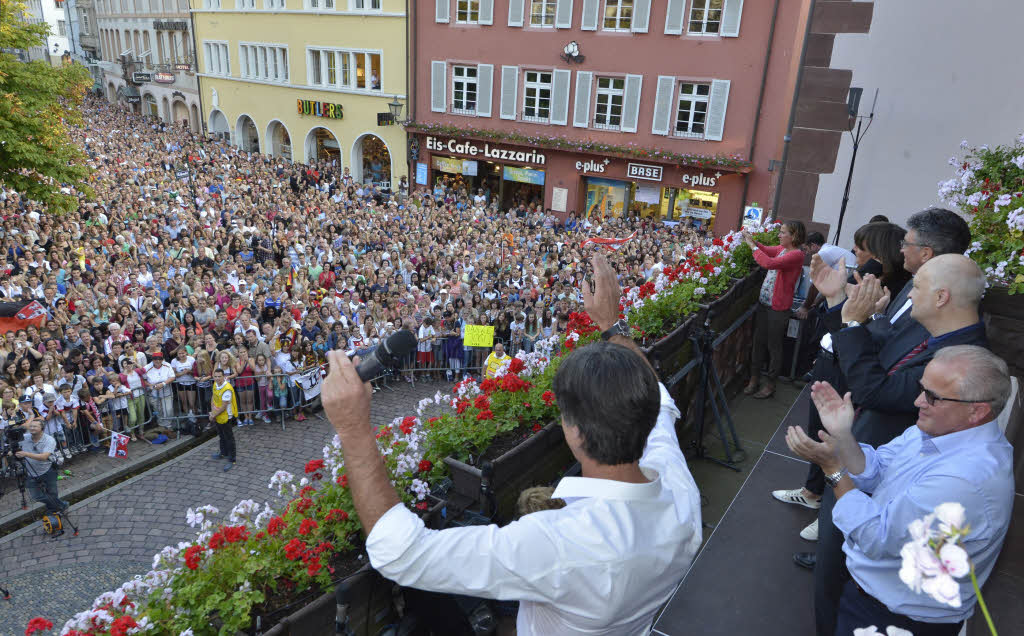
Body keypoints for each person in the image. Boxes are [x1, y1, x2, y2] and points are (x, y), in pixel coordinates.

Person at [320, 253, 702, 635]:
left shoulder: (558, 545)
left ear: (574, 431)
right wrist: (611, 325)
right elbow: (660, 399)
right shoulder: (679, 493)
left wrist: (353, 427)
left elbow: (399, 552)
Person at [803, 254, 989, 636]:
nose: (907, 294)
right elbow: (876, 348)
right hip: (869, 459)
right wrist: (840, 304)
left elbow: (877, 388)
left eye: (916, 287)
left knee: (840, 584)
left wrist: (852, 321)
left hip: (875, 486)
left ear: (940, 297)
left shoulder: (965, 362)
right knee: (832, 577)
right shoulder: (930, 330)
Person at [786, 346, 1013, 636]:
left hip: (899, 619)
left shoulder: (965, 479)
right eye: (922, 389)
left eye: (933, 396)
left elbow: (875, 537)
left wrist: (833, 469)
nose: (918, 401)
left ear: (977, 411)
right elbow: (878, 469)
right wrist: (843, 435)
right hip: (877, 599)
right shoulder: (940, 428)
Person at [743, 220, 806, 399]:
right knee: (758, 342)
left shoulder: (796, 255)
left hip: (778, 308)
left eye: (783, 232)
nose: (779, 234)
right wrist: (752, 240)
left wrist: (752, 246)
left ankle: (770, 384)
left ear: (793, 236)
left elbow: (768, 263)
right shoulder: (782, 249)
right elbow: (767, 250)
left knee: (774, 346)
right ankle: (754, 379)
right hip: (765, 303)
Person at [16, 418, 69, 515]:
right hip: (31, 472)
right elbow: (13, 446)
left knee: (52, 493)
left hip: (48, 470)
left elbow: (44, 457)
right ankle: (62, 505)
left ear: (42, 428)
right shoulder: (25, 438)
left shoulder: (49, 440)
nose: (32, 428)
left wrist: (26, 454)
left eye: (35, 426)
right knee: (36, 496)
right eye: (31, 426)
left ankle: (53, 511)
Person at [209, 367, 237, 472]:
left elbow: (223, 406)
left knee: (229, 438)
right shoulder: (215, 384)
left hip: (226, 416)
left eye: (219, 376)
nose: (217, 379)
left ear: (223, 376)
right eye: (215, 376)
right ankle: (223, 452)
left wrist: (213, 415)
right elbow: (213, 397)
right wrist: (212, 411)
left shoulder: (227, 389)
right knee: (221, 436)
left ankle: (232, 459)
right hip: (218, 415)